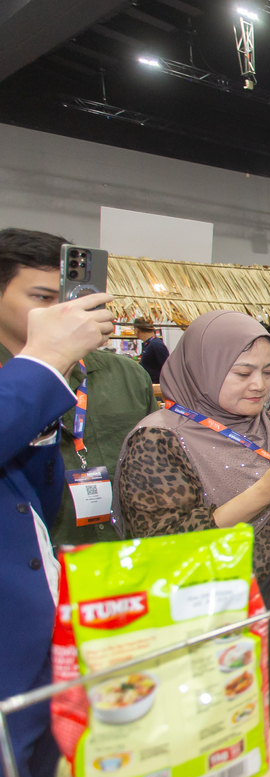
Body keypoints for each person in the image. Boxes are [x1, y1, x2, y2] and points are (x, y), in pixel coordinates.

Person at [118, 311, 270, 724]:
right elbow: (165, 549)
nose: (258, 385)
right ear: (203, 368)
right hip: (216, 624)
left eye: (267, 371)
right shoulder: (159, 437)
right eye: (241, 373)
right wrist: (263, 493)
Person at [0, 286, 115, 777]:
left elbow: (37, 503)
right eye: (43, 296)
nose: (59, 312)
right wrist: (41, 366)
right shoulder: (28, 374)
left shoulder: (34, 385)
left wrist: (40, 423)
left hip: (38, 617)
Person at [0, 229, 158, 547]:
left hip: (129, 560)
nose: (65, 313)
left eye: (72, 299)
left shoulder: (127, 376)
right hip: (32, 572)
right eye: (43, 298)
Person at [133, 317, 169, 383]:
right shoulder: (148, 344)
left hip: (155, 385)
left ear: (137, 330)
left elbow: (167, 366)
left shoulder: (156, 345)